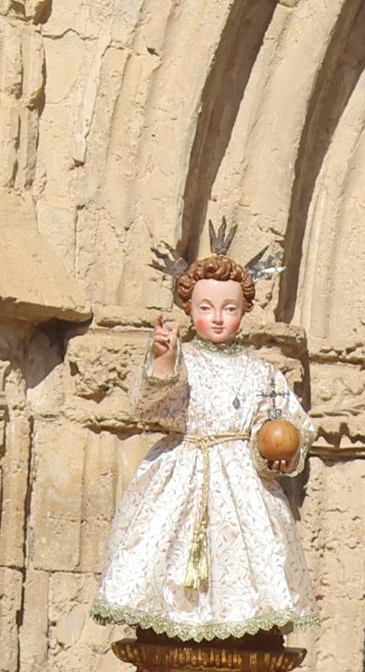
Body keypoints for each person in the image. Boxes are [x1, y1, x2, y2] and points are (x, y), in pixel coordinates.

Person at [95, 247, 312, 643]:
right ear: (188, 307)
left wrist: (279, 452)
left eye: (228, 308)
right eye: (206, 307)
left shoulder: (261, 372)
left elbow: (289, 425)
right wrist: (163, 361)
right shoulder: (183, 359)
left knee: (245, 567)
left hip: (243, 485)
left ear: (244, 310)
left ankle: (242, 639)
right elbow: (150, 409)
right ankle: (164, 640)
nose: (216, 317)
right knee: (166, 555)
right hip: (181, 474)